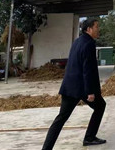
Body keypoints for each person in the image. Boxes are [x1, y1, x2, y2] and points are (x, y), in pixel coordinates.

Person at [42, 18, 106, 149]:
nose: (98, 30)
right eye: (96, 27)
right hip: (81, 88)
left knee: (61, 118)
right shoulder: (89, 44)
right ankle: (89, 137)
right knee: (100, 106)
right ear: (89, 29)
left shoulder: (77, 41)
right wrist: (90, 91)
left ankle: (46, 148)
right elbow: (87, 69)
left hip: (70, 87)